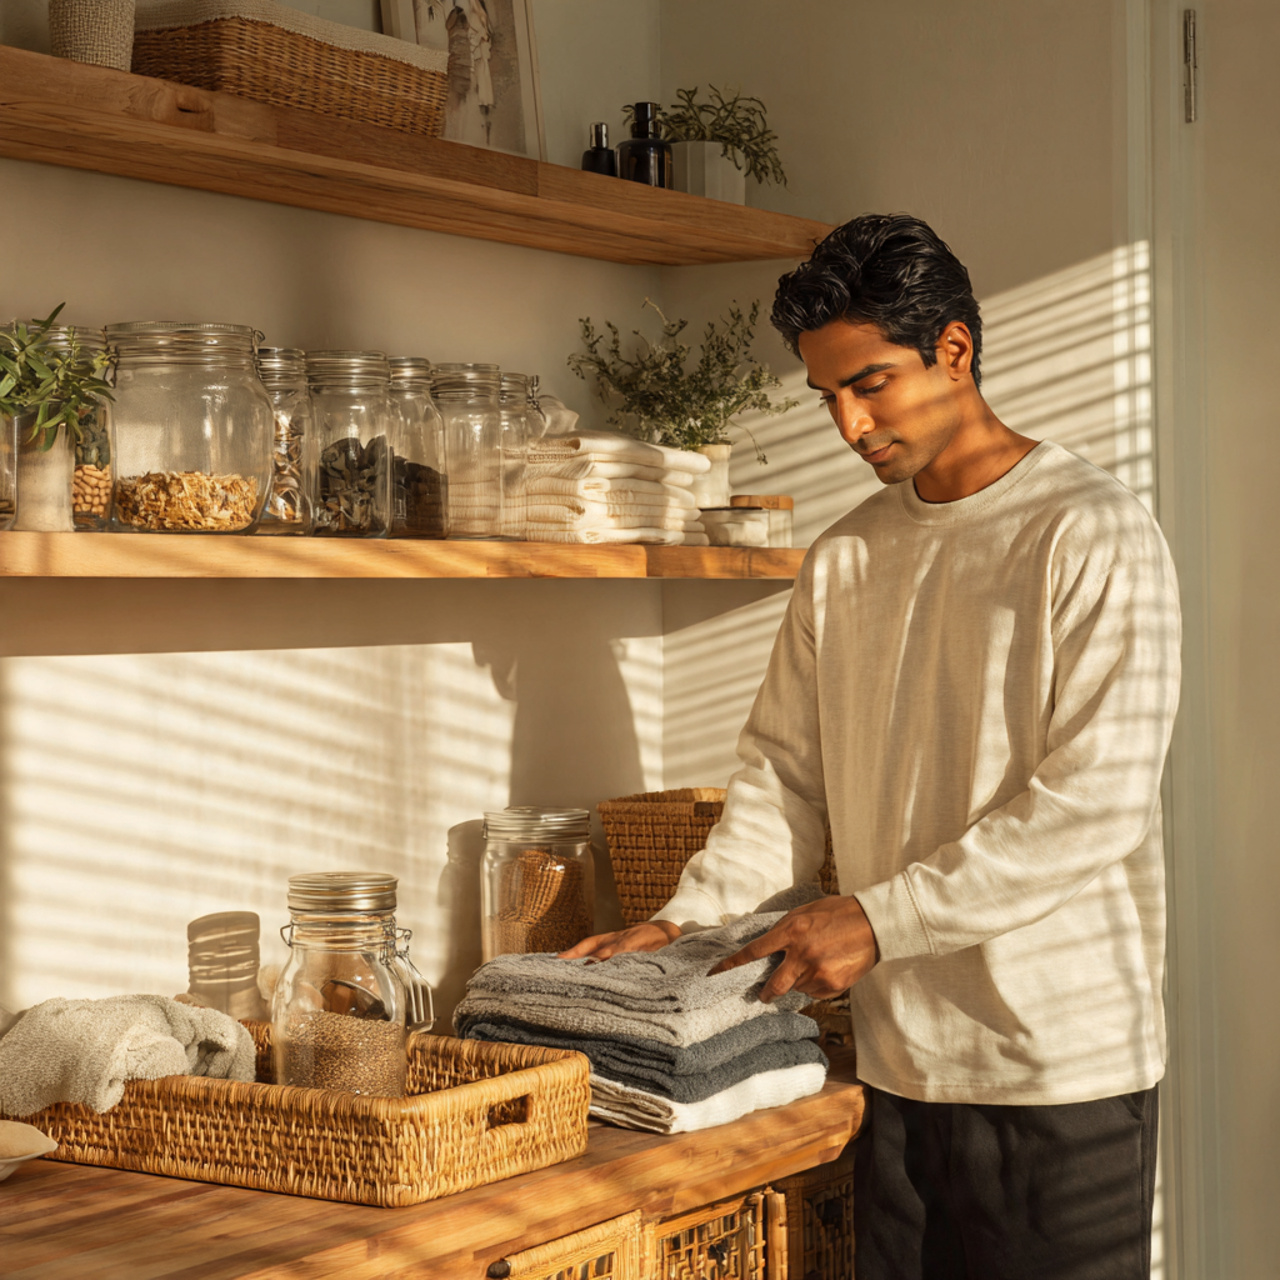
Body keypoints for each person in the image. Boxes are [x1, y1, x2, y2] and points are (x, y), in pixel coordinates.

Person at [562, 213, 1181, 1280]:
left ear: (952, 349)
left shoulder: (1088, 530)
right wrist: (685, 920)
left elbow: (1093, 801)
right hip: (895, 1067)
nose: (849, 424)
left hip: (1056, 1070)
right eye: (827, 396)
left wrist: (875, 917)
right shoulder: (845, 556)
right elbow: (781, 777)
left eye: (872, 383)